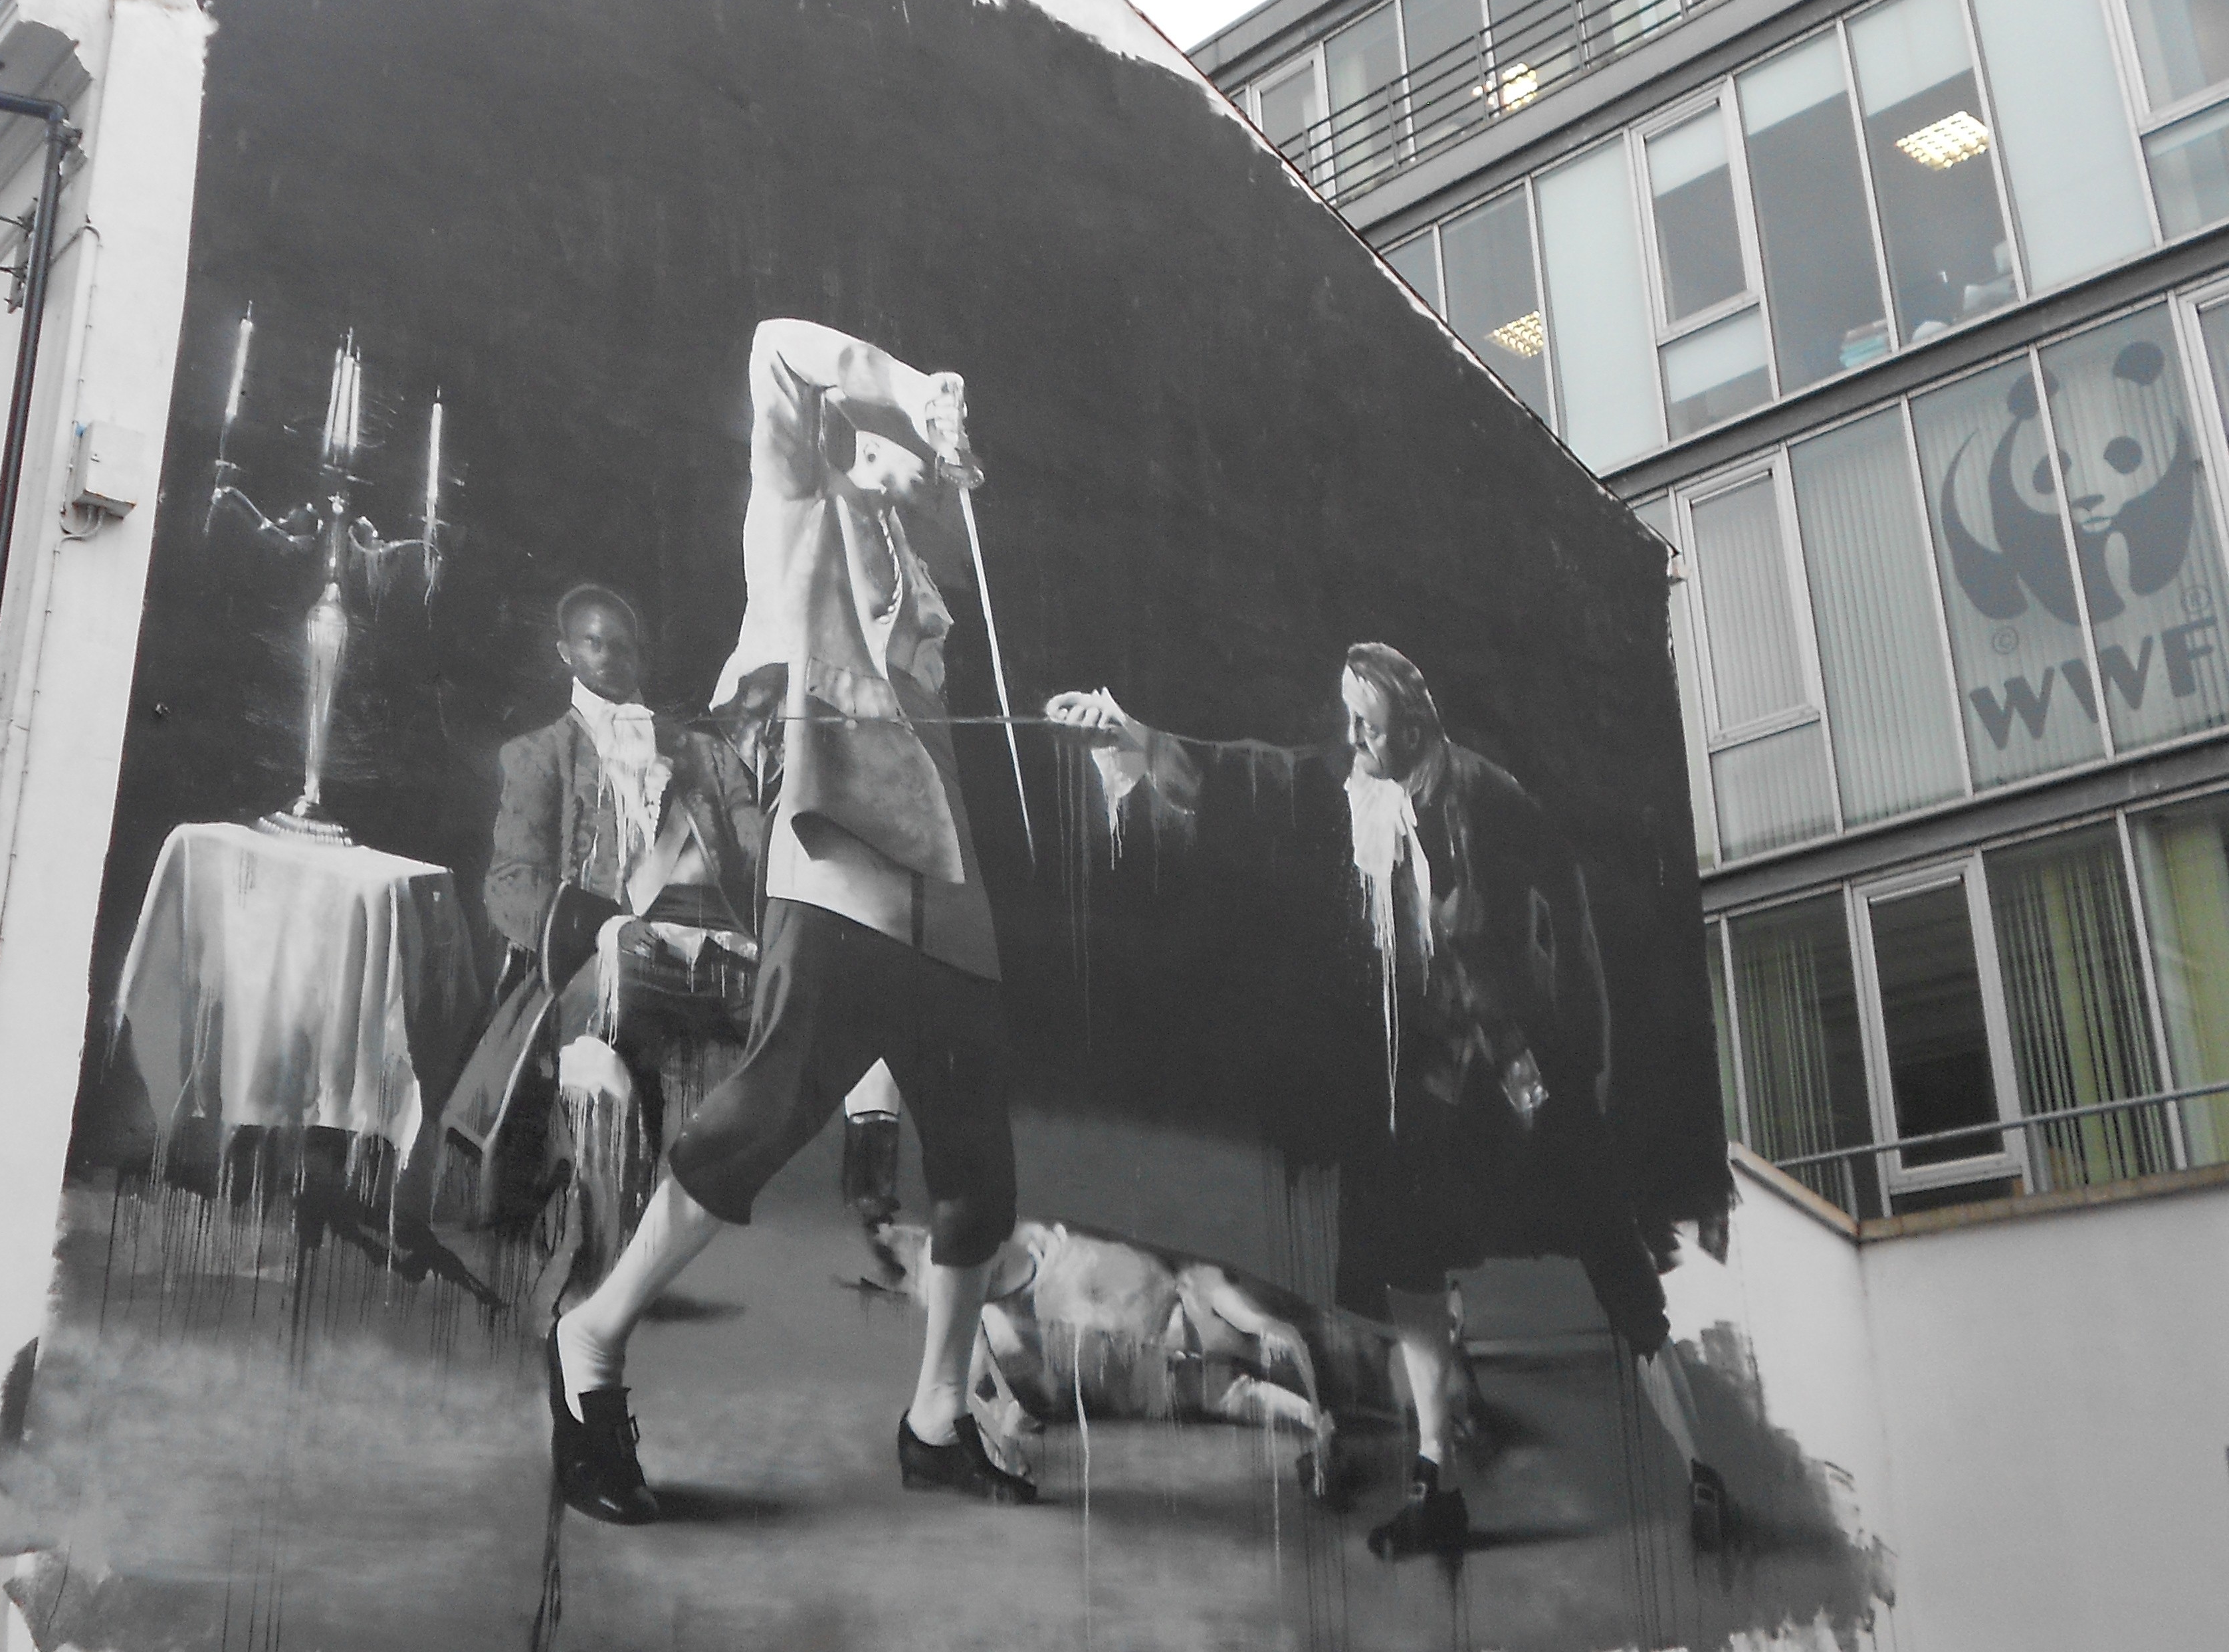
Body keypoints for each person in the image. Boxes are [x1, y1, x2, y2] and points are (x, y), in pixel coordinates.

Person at [1047, 645, 1727, 1560]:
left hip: (1525, 1071)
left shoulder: (1490, 796)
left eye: (1368, 722)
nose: (1353, 736)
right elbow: (1257, 775)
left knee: (1621, 1272)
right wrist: (1131, 733)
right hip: (1437, 1082)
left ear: (1412, 725)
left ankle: (1703, 1475)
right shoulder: (1352, 787)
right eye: (1349, 718)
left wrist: (1584, 1054)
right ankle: (1435, 1481)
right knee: (1409, 1260)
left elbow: (1569, 907)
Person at [548, 318, 1029, 1524]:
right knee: (766, 1114)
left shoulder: (923, 569)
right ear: (859, 436)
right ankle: (593, 1338)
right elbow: (773, 346)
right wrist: (913, 387)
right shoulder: (795, 506)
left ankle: (937, 1418)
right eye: (908, 441)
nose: (931, 461)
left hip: (948, 891)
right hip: (839, 870)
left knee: (980, 1166)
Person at [439, 585, 762, 1262]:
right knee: (600, 1066)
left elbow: (757, 849)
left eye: (624, 646)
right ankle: (606, 1259)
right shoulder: (538, 755)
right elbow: (511, 885)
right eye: (594, 643)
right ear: (566, 652)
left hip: (717, 959)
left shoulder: (704, 753)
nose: (611, 656)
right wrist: (603, 931)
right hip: (598, 964)